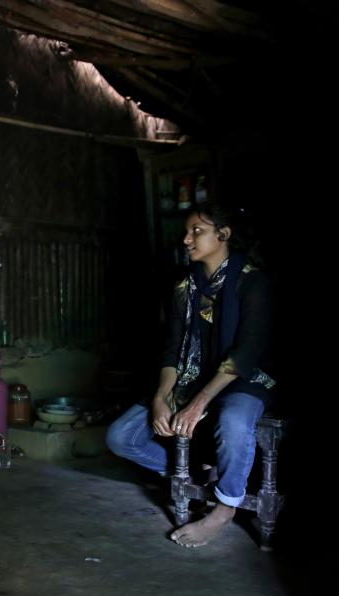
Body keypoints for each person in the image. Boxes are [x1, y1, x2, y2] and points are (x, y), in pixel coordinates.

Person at [106, 203, 275, 547]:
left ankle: (224, 508)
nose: (186, 239)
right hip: (192, 376)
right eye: (186, 231)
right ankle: (196, 476)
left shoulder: (252, 282)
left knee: (234, 422)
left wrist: (198, 403)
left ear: (223, 235)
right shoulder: (185, 287)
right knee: (121, 436)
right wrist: (160, 397)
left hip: (244, 377)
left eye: (196, 230)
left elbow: (245, 354)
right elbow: (172, 349)